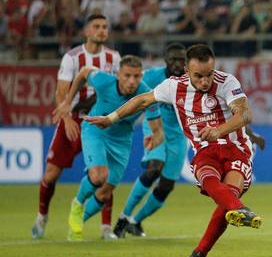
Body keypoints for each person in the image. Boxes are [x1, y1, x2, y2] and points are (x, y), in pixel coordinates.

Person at [86, 44, 262, 257]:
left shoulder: (227, 82)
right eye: (198, 76)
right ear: (187, 72)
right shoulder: (173, 87)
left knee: (227, 197)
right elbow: (141, 101)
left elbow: (245, 114)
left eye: (209, 74)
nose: (205, 81)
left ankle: (198, 254)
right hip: (205, 151)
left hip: (236, 149)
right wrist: (112, 117)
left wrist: (219, 130)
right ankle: (239, 210)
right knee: (211, 182)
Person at [53, 55, 162, 241]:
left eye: (136, 76)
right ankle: (78, 203)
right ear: (118, 74)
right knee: (98, 175)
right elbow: (84, 72)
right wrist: (67, 102)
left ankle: (77, 222)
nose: (132, 81)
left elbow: (157, 129)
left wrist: (153, 140)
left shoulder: (146, 94)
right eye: (127, 75)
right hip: (96, 131)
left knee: (105, 193)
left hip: (121, 141)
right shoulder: (104, 80)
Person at [31, 14, 120, 240]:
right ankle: (41, 217)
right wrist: (68, 118)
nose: (102, 30)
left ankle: (106, 226)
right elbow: (61, 91)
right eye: (97, 27)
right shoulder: (72, 57)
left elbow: (116, 89)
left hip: (100, 122)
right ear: (87, 32)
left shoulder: (113, 57)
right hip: (73, 120)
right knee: (51, 174)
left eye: (105, 27)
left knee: (105, 174)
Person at [114, 43, 187, 238]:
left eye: (182, 60)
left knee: (166, 185)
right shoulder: (152, 76)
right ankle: (123, 217)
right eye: (174, 60)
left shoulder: (193, 81)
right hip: (156, 128)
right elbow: (129, 90)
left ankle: (135, 222)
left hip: (179, 137)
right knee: (155, 168)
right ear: (166, 60)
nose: (178, 64)